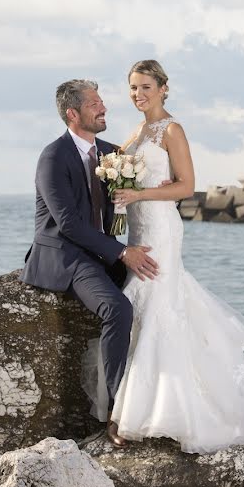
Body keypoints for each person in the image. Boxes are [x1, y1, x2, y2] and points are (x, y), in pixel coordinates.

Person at [82, 60, 244, 454]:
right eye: (133, 88)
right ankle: (131, 404)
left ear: (164, 88)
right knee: (139, 307)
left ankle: (150, 413)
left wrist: (138, 194)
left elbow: (187, 186)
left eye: (146, 87)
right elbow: (124, 177)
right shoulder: (137, 132)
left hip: (161, 228)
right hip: (137, 228)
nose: (139, 94)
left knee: (159, 306)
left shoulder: (172, 130)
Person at [20, 79, 159, 447]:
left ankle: (162, 400)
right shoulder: (54, 156)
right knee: (118, 309)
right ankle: (117, 415)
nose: (104, 108)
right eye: (95, 104)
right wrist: (123, 253)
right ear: (73, 113)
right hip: (67, 254)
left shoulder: (113, 153)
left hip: (101, 250)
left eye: (103, 102)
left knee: (162, 297)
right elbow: (68, 224)